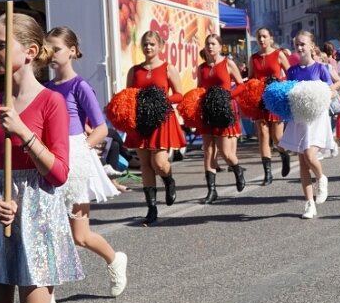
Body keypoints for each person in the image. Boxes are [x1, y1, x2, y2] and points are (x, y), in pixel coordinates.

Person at [0, 13, 84, 303]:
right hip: (0, 213)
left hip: (40, 216)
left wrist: (23, 132)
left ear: (30, 52)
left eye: (2, 46)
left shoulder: (51, 102)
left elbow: (58, 174)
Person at [44, 26, 127, 303]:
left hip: (75, 161)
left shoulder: (80, 86)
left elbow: (102, 128)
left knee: (79, 236)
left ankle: (115, 260)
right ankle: (47, 299)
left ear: (72, 51)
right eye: (47, 48)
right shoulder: (46, 88)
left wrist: (79, 151)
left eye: (55, 48)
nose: (50, 54)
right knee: (50, 233)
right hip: (50, 160)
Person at [124, 30, 186, 225]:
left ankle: (168, 180)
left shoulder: (168, 68)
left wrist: (159, 101)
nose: (148, 47)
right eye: (145, 44)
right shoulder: (135, 70)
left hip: (161, 120)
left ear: (160, 47)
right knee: (145, 165)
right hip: (141, 121)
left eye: (152, 44)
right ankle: (151, 208)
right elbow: (128, 96)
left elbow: (179, 95)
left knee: (159, 163)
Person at [279, 31, 340, 219]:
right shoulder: (292, 71)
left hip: (317, 118)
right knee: (302, 163)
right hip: (299, 119)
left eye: (303, 44)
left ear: (312, 46)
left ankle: (321, 178)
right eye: (297, 44)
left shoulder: (321, 68)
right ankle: (309, 204)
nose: (299, 47)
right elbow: (288, 95)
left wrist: (323, 95)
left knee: (309, 154)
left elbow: (332, 89)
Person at [197, 33, 247, 204]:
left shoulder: (227, 63)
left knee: (226, 153)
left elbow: (241, 85)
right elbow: (199, 89)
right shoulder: (202, 68)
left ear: (220, 46)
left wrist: (227, 96)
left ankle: (237, 169)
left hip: (224, 110)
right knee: (208, 151)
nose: (210, 47)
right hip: (208, 112)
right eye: (207, 44)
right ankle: (211, 191)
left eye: (213, 44)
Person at [249, 27, 291, 185]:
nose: (262, 39)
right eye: (259, 37)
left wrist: (283, 89)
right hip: (260, 101)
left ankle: (284, 154)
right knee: (263, 137)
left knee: (278, 137)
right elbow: (251, 78)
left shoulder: (278, 54)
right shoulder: (253, 58)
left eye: (265, 36)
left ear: (271, 38)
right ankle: (267, 174)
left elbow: (290, 74)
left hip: (275, 99)